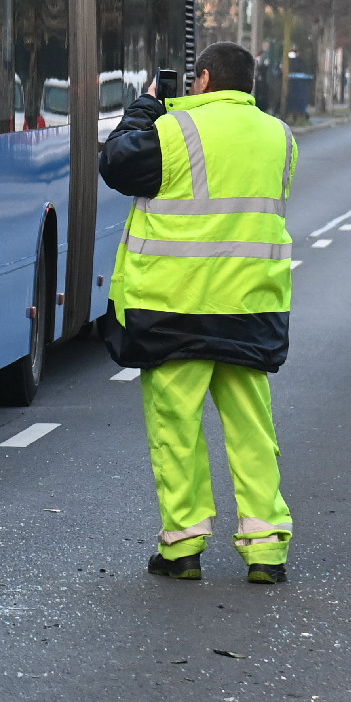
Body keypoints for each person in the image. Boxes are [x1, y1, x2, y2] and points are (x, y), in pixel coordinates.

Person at [98, 42, 298, 584]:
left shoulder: (174, 133)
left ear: (204, 79)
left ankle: (183, 547)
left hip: (174, 309)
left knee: (176, 429)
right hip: (250, 308)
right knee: (253, 430)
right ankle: (266, 551)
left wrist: (144, 108)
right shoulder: (281, 139)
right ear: (249, 85)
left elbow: (115, 163)